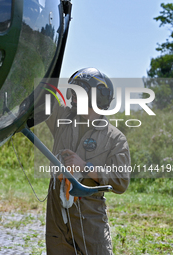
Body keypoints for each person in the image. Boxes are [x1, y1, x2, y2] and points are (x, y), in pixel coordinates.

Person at [45, 67, 131, 255]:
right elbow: (42, 95)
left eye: (79, 93)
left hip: (90, 221)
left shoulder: (115, 138)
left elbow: (121, 181)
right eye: (73, 92)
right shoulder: (62, 117)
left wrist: (85, 167)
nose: (73, 98)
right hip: (56, 218)